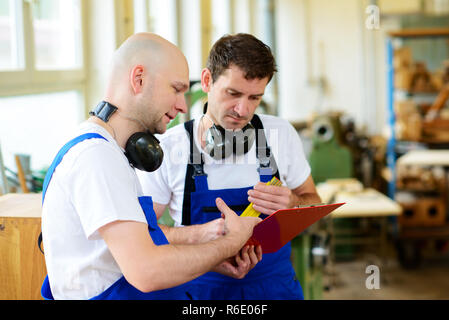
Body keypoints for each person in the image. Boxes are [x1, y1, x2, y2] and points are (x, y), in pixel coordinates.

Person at [40, 32, 262, 300]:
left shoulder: (112, 153)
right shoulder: (97, 157)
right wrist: (231, 242)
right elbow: (146, 271)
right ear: (139, 79)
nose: (182, 106)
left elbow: (127, 252)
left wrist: (208, 260)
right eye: (176, 89)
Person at [136, 33, 322, 300]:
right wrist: (202, 235)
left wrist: (294, 203)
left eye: (255, 98)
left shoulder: (280, 134)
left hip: (275, 288)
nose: (242, 109)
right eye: (233, 93)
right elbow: (144, 234)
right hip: (200, 292)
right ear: (207, 80)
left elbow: (314, 203)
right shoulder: (170, 147)